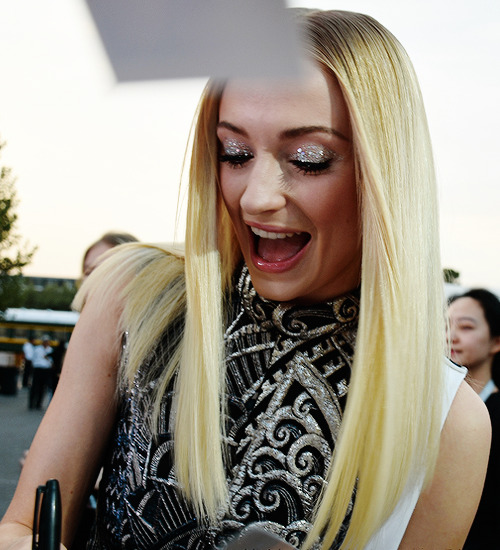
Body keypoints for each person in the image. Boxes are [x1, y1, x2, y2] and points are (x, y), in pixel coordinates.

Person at [0, 9, 491, 550]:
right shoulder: (137, 298)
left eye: (309, 159)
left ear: (384, 174)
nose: (255, 196)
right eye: (234, 152)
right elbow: (23, 525)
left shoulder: (447, 423)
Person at [448, 289, 500, 549]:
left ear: (496, 341)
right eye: (446, 326)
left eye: (466, 327)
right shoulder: (429, 409)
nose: (451, 336)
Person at [28, 335, 53, 410]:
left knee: (43, 387)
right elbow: (33, 358)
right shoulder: (37, 349)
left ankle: (39, 404)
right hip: (38, 369)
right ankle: (31, 403)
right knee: (35, 387)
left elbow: (51, 360)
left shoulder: (50, 350)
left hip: (46, 370)